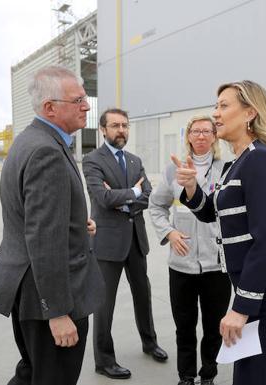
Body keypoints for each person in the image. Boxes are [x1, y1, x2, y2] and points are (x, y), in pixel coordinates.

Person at [0, 65, 105, 385]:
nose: (87, 106)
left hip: (30, 289)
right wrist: (57, 313)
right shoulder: (46, 150)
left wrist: (74, 224)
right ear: (50, 107)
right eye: (78, 100)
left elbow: (34, 217)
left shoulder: (30, 140)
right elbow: (43, 239)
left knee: (33, 372)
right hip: (49, 297)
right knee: (52, 378)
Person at [172, 80, 266, 385]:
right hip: (255, 284)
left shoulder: (261, 160)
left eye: (224, 106)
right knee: (249, 372)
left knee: (263, 373)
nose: (216, 114)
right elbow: (214, 213)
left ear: (249, 113)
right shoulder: (238, 162)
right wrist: (191, 188)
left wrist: (241, 307)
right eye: (216, 106)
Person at [83, 107, 168, 380]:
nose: (122, 130)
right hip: (107, 243)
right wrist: (133, 193)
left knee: (143, 295)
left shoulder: (134, 160)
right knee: (103, 303)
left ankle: (150, 342)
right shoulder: (92, 160)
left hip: (135, 240)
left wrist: (124, 201)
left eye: (125, 125)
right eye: (116, 125)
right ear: (103, 130)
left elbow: (149, 197)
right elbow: (101, 198)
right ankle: (104, 360)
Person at [148, 115, 232, 385]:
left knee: (213, 327)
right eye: (195, 131)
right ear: (188, 137)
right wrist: (169, 232)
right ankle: (186, 376)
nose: (201, 136)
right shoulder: (173, 170)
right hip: (182, 264)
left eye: (207, 131)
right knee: (184, 327)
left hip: (216, 265)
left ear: (215, 136)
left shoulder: (227, 168)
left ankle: (208, 374)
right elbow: (156, 206)